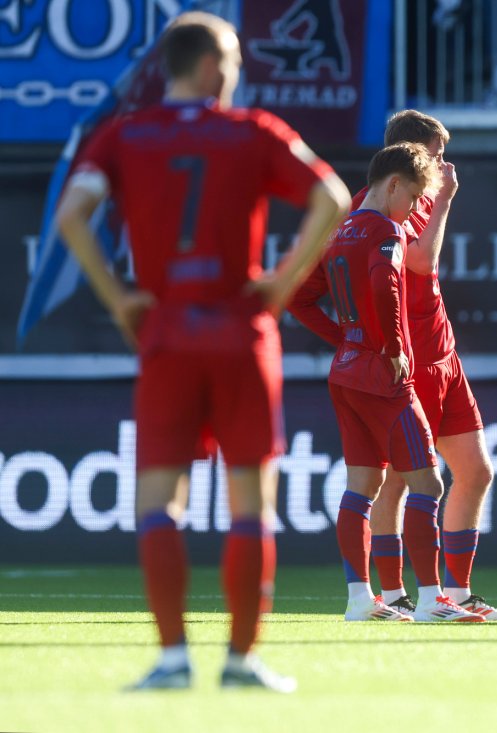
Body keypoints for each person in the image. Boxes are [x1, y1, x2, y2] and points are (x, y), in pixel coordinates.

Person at [55, 11, 350, 691]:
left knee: (159, 499)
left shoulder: (124, 135)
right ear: (216, 67)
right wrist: (281, 281)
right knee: (251, 502)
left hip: (166, 331)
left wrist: (119, 298)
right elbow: (331, 197)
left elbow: (72, 212)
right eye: (237, 61)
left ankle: (170, 659)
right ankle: (242, 661)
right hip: (241, 330)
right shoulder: (251, 131)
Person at [288, 141, 484, 624]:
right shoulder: (385, 230)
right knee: (428, 482)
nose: (417, 208)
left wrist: (345, 338)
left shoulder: (341, 229)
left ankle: (360, 599)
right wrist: (394, 346)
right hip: (382, 374)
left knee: (363, 485)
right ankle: (431, 599)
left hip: (347, 372)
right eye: (416, 198)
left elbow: (299, 298)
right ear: (394, 184)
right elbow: (384, 283)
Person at [344, 111, 497, 622]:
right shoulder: (380, 204)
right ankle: (397, 595)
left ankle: (456, 594)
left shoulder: (414, 201)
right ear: (414, 156)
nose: (445, 164)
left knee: (476, 471)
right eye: (437, 154)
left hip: (444, 356)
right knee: (400, 480)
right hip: (407, 362)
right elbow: (421, 262)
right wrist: (443, 200)